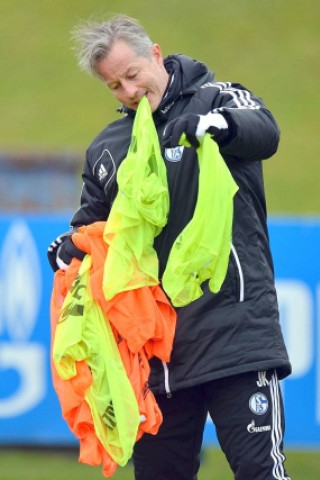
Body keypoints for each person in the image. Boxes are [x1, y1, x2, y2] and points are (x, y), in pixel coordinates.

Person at [48, 14, 292, 480]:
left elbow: (266, 131)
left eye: (133, 74)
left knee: (261, 472)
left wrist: (220, 126)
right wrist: (66, 249)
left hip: (235, 337)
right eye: (115, 86)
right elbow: (93, 228)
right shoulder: (108, 148)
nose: (129, 91)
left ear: (155, 54)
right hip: (157, 356)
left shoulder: (221, 99)